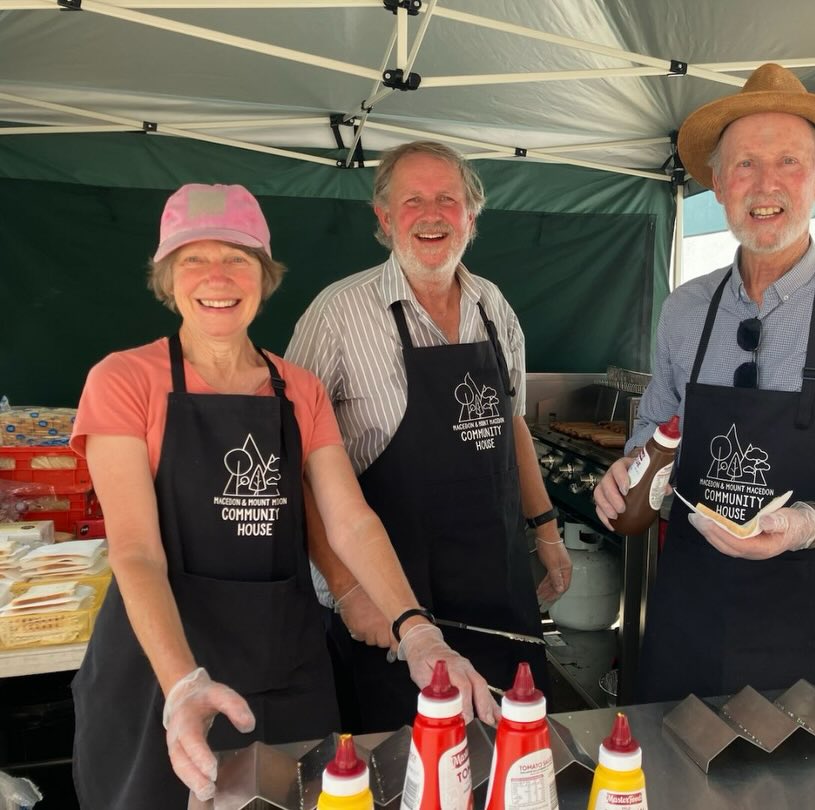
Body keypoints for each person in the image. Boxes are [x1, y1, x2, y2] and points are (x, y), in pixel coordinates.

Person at [69, 183, 496, 809]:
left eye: (238, 258)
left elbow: (349, 519)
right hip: (160, 672)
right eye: (194, 258)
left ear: (264, 276)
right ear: (167, 277)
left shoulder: (298, 389)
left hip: (283, 665)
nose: (217, 276)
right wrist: (183, 685)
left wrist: (417, 632)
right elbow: (135, 550)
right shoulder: (123, 380)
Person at [594, 63, 815, 702]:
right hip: (689, 613)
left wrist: (810, 524)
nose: (766, 184)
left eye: (788, 162)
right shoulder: (685, 310)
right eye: (745, 164)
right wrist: (629, 471)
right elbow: (654, 431)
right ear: (718, 183)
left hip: (811, 629)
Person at [286, 141, 572, 733]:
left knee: (511, 759)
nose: (432, 213)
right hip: (386, 600)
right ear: (384, 218)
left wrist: (545, 530)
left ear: (472, 214)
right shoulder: (337, 313)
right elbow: (293, 464)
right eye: (412, 200)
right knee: (407, 769)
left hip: (497, 587)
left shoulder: (494, 305)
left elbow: (511, 421)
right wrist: (345, 589)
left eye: (448, 198)